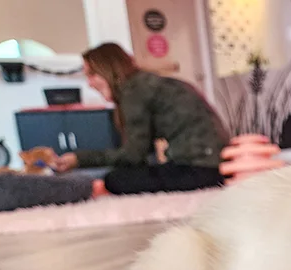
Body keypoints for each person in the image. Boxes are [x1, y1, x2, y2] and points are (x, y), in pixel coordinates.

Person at [55, 43, 231, 194]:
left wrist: (79, 159)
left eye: (92, 74)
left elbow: (133, 155)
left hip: (201, 169)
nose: (89, 83)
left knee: (115, 179)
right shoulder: (146, 84)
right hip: (212, 164)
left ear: (108, 69)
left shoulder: (134, 91)